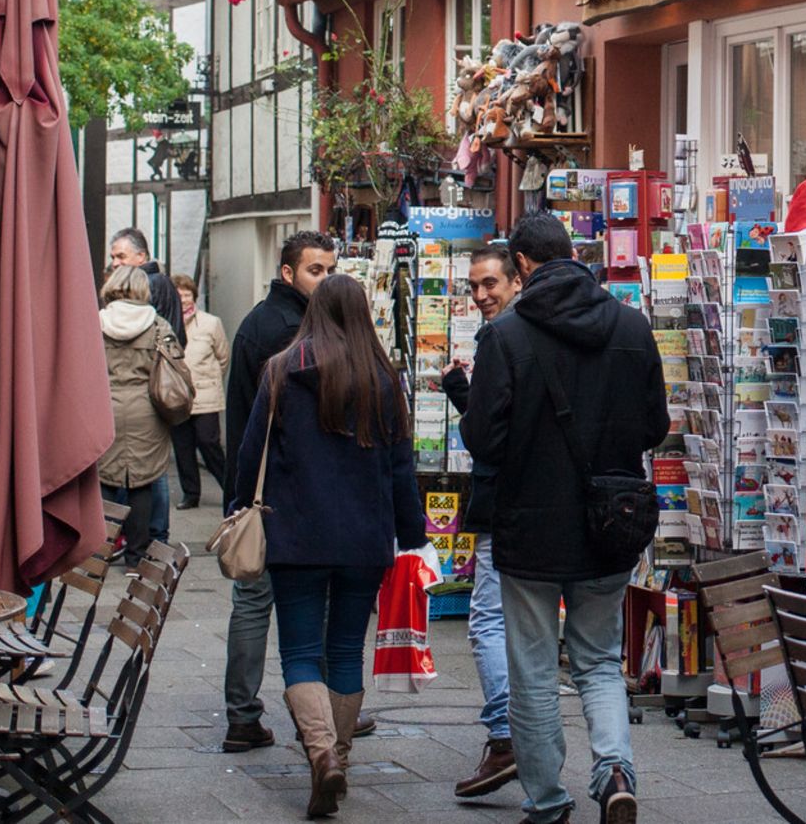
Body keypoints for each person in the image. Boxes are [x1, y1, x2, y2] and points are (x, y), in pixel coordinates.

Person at [461, 212, 668, 824]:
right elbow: (654, 427)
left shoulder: (507, 337)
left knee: (530, 666)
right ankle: (614, 770)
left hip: (530, 528)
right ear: (572, 253)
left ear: (521, 266)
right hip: (612, 524)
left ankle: (548, 798)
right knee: (599, 659)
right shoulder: (631, 327)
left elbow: (482, 440)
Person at [232, 274, 426, 820]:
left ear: (314, 312)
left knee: (299, 653)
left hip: (296, 537)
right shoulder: (383, 379)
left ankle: (319, 755)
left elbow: (252, 455)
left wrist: (238, 508)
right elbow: (398, 469)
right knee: (344, 649)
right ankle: (339, 753)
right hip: (365, 539)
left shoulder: (281, 371)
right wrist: (412, 537)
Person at [221, 230, 339, 754]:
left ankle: (245, 714)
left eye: (331, 269)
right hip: (285, 491)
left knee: (254, 600)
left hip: (262, 488)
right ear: (288, 273)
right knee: (280, 602)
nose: (326, 279)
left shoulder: (260, 322)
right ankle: (320, 715)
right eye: (317, 270)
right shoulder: (289, 332)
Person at [442, 243, 523, 800]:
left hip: (506, 502)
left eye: (489, 283)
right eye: (473, 286)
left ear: (516, 279)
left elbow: (487, 435)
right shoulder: (526, 329)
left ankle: (503, 738)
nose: (480, 295)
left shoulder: (504, 336)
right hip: (536, 503)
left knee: (488, 622)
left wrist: (463, 400)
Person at [97, 265, 178, 568]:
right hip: (147, 412)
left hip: (107, 408)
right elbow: (175, 362)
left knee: (104, 478)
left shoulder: (96, 322)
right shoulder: (157, 325)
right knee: (141, 483)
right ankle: (136, 556)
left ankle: (99, 554)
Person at [172, 275, 231, 511]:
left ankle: (231, 488)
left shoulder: (211, 323)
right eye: (179, 295)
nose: (184, 300)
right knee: (183, 448)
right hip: (177, 399)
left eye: (187, 294)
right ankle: (191, 494)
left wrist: (210, 380)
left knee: (209, 443)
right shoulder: (167, 323)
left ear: (194, 296)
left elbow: (223, 357)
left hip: (205, 396)